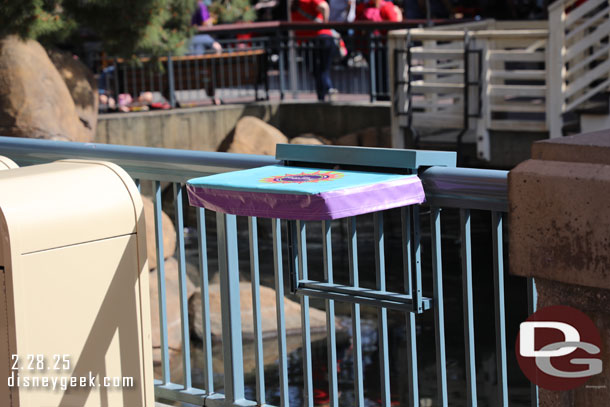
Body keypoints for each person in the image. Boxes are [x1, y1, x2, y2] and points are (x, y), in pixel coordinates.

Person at [291, 0, 339, 101]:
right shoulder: (296, 4)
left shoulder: (298, 3)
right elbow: (324, 7)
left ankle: (323, 94)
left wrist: (325, 23)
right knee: (320, 70)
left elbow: (324, 7)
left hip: (315, 40)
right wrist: (325, 23)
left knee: (318, 70)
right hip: (316, 40)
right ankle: (326, 90)